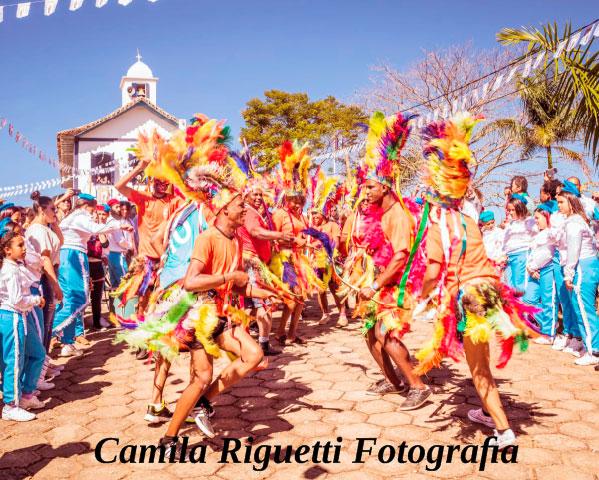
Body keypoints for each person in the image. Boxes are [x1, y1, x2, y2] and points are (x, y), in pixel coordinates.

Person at [416, 113, 541, 449]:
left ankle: (503, 431)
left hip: (469, 298)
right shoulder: (469, 221)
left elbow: (433, 272)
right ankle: (488, 413)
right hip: (490, 292)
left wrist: (420, 299)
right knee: (482, 361)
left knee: (479, 369)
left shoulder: (439, 227)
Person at [351, 111, 430, 409]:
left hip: (398, 286)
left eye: (370, 187)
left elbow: (400, 257)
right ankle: (393, 382)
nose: (365, 192)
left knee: (388, 335)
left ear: (385, 186)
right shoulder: (380, 214)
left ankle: (418, 386)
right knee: (370, 334)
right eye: (364, 187)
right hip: (383, 284)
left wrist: (373, 286)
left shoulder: (396, 214)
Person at [52, 194, 132, 357]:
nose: (94, 213)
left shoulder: (73, 217)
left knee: (70, 300)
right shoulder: (80, 216)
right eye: (93, 209)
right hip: (74, 256)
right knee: (79, 299)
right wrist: (120, 225)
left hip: (67, 256)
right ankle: (50, 330)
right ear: (86, 207)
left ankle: (67, 342)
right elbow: (96, 229)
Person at [115, 157, 184, 317]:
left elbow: (191, 205)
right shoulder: (143, 198)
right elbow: (119, 186)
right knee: (143, 299)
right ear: (151, 181)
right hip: (145, 257)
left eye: (166, 182)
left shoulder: (173, 201)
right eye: (159, 181)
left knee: (164, 297)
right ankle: (141, 325)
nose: (163, 185)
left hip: (165, 257)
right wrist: (139, 167)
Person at [237, 173, 292, 355]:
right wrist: (279, 235)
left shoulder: (249, 212)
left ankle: (245, 342)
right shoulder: (250, 213)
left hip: (250, 262)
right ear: (246, 196)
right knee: (264, 304)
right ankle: (263, 344)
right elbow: (255, 232)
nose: (259, 198)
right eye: (255, 194)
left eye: (261, 194)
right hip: (252, 263)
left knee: (251, 305)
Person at [270, 141, 313, 346]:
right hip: (285, 259)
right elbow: (273, 237)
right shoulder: (279, 214)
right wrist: (294, 241)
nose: (296, 204)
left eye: (300, 200)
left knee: (300, 298)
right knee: (292, 296)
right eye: (293, 200)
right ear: (286, 199)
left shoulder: (301, 217)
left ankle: (290, 333)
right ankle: (282, 331)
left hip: (300, 259)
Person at [0, 229, 45, 422]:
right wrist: (36, 300)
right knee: (13, 360)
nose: (24, 248)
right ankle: (10, 405)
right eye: (20, 245)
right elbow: (17, 299)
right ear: (7, 250)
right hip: (12, 317)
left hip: (20, 316)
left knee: (37, 353)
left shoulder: (16, 266)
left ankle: (26, 394)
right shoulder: (9, 270)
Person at [556, 188, 599, 365]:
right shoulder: (579, 221)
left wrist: (569, 273)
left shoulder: (574, 223)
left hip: (582, 266)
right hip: (588, 265)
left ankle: (593, 351)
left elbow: (573, 251)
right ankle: (592, 347)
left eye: (561, 202)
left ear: (571, 203)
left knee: (584, 310)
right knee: (584, 309)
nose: (558, 206)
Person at [25, 192, 63, 354]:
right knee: (45, 322)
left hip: (50, 274)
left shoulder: (45, 228)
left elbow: (60, 242)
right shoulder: (38, 230)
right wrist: (55, 285)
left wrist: (55, 222)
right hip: (45, 277)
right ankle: (42, 363)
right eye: (53, 209)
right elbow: (45, 259)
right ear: (41, 209)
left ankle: (45, 361)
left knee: (48, 321)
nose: (55, 212)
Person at [523, 202, 557, 343]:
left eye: (538, 218)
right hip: (534, 272)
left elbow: (548, 254)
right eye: (535, 218)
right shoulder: (539, 234)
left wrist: (533, 266)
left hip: (547, 269)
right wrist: (530, 268)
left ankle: (549, 333)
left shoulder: (551, 233)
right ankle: (549, 323)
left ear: (547, 216)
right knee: (527, 301)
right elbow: (532, 254)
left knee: (548, 301)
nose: (536, 221)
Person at [501, 194, 536, 293]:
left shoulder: (530, 221)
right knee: (511, 285)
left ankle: (522, 302)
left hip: (522, 255)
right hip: (509, 257)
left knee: (520, 285)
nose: (511, 213)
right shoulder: (511, 224)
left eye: (513, 210)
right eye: (509, 210)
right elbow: (505, 241)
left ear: (520, 208)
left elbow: (537, 238)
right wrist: (503, 254)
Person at [87, 205, 111, 330]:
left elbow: (105, 244)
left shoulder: (102, 230)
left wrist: (100, 228)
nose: (97, 218)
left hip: (97, 265)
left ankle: (97, 322)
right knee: (83, 295)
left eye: (100, 216)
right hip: (85, 265)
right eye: (95, 216)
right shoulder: (84, 228)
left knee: (97, 296)